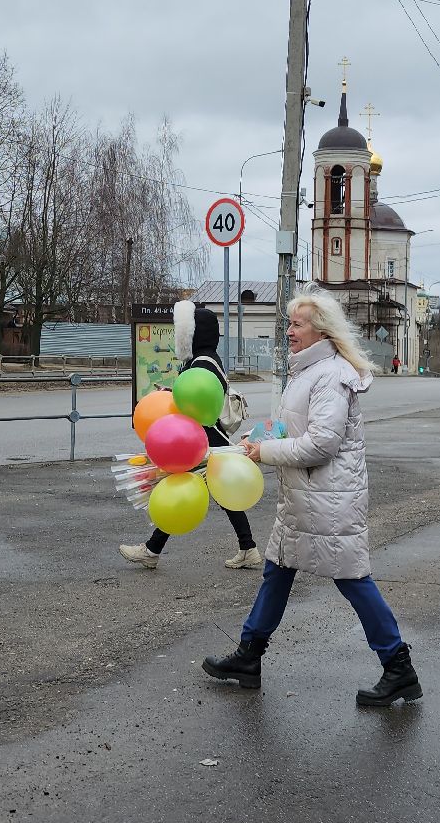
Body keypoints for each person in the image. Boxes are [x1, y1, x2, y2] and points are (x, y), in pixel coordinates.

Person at [200, 293, 424, 706]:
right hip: (304, 496)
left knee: (353, 579)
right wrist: (259, 436)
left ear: (321, 329)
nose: (289, 331)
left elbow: (321, 444)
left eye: (297, 324)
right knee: (277, 570)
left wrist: (262, 453)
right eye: (289, 324)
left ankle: (398, 668)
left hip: (329, 498)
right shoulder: (308, 372)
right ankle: (249, 656)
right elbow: (290, 427)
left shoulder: (332, 375)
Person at [120, 301, 261, 570]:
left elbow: (195, 402)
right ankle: (248, 548)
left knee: (179, 489)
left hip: (202, 439)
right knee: (221, 493)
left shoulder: (203, 363)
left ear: (195, 334)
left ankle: (151, 550)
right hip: (206, 437)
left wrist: (170, 398)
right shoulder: (205, 359)